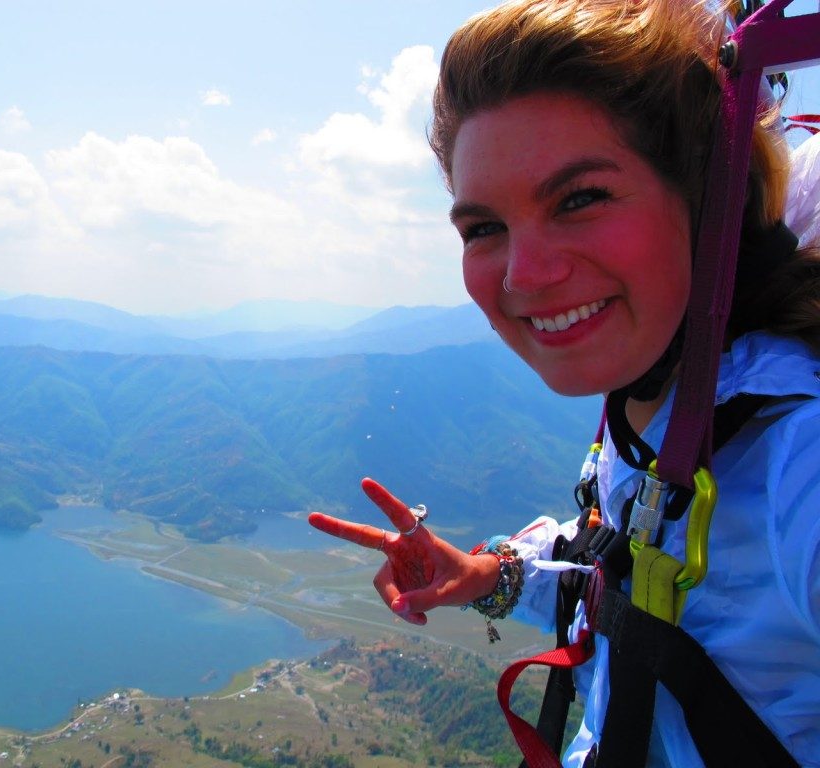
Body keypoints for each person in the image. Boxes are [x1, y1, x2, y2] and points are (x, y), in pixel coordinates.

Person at [308, 0, 820, 766]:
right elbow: (644, 568)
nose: (526, 274)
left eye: (579, 199)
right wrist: (494, 576)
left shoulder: (797, 459)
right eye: (484, 228)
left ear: (710, 199)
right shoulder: (668, 401)